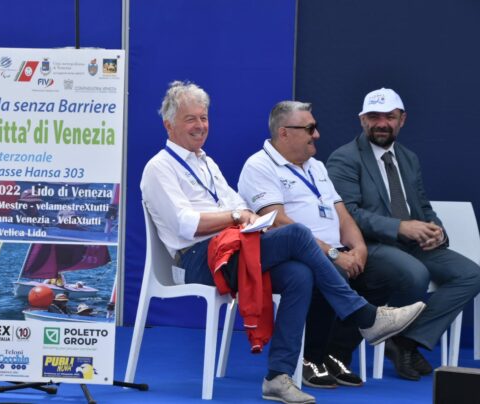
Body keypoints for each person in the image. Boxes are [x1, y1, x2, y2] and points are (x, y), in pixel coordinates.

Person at [141, 80, 425, 403]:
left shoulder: (206, 162)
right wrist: (236, 216)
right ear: (169, 125)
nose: (200, 126)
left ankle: (278, 376)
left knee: (299, 275)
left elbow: (240, 205)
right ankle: (366, 317)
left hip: (234, 248)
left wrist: (241, 215)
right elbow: (186, 224)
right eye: (191, 119)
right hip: (199, 259)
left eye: (204, 118)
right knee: (297, 233)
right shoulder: (158, 168)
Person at [326, 88, 480, 381]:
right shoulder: (344, 158)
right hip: (371, 244)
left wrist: (436, 232)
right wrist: (399, 227)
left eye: (390, 117)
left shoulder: (408, 158)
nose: (382, 123)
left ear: (402, 120)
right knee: (414, 274)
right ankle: (396, 339)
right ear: (362, 120)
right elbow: (348, 213)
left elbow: (422, 206)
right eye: (374, 117)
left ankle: (405, 340)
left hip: (413, 244)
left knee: (471, 275)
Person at [238, 100, 394, 388]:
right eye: (310, 128)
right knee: (327, 271)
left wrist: (359, 248)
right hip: (296, 256)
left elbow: (342, 214)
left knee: (385, 276)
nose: (317, 134)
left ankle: (334, 354)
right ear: (284, 132)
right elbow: (278, 222)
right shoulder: (259, 166)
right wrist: (334, 255)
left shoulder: (317, 167)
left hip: (337, 251)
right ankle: (310, 358)